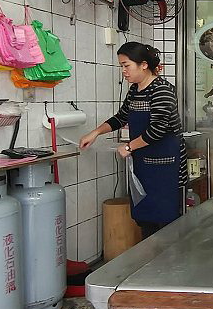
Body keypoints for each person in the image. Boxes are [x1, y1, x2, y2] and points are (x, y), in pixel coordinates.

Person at [79, 42, 187, 238]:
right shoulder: (135, 90)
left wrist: (129, 146)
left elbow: (158, 129)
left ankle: (168, 264)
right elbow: (122, 117)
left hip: (165, 166)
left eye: (126, 65)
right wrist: (95, 133)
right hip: (143, 163)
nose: (124, 71)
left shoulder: (162, 90)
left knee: (164, 219)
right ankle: (150, 263)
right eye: (121, 66)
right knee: (145, 217)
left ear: (143, 65)